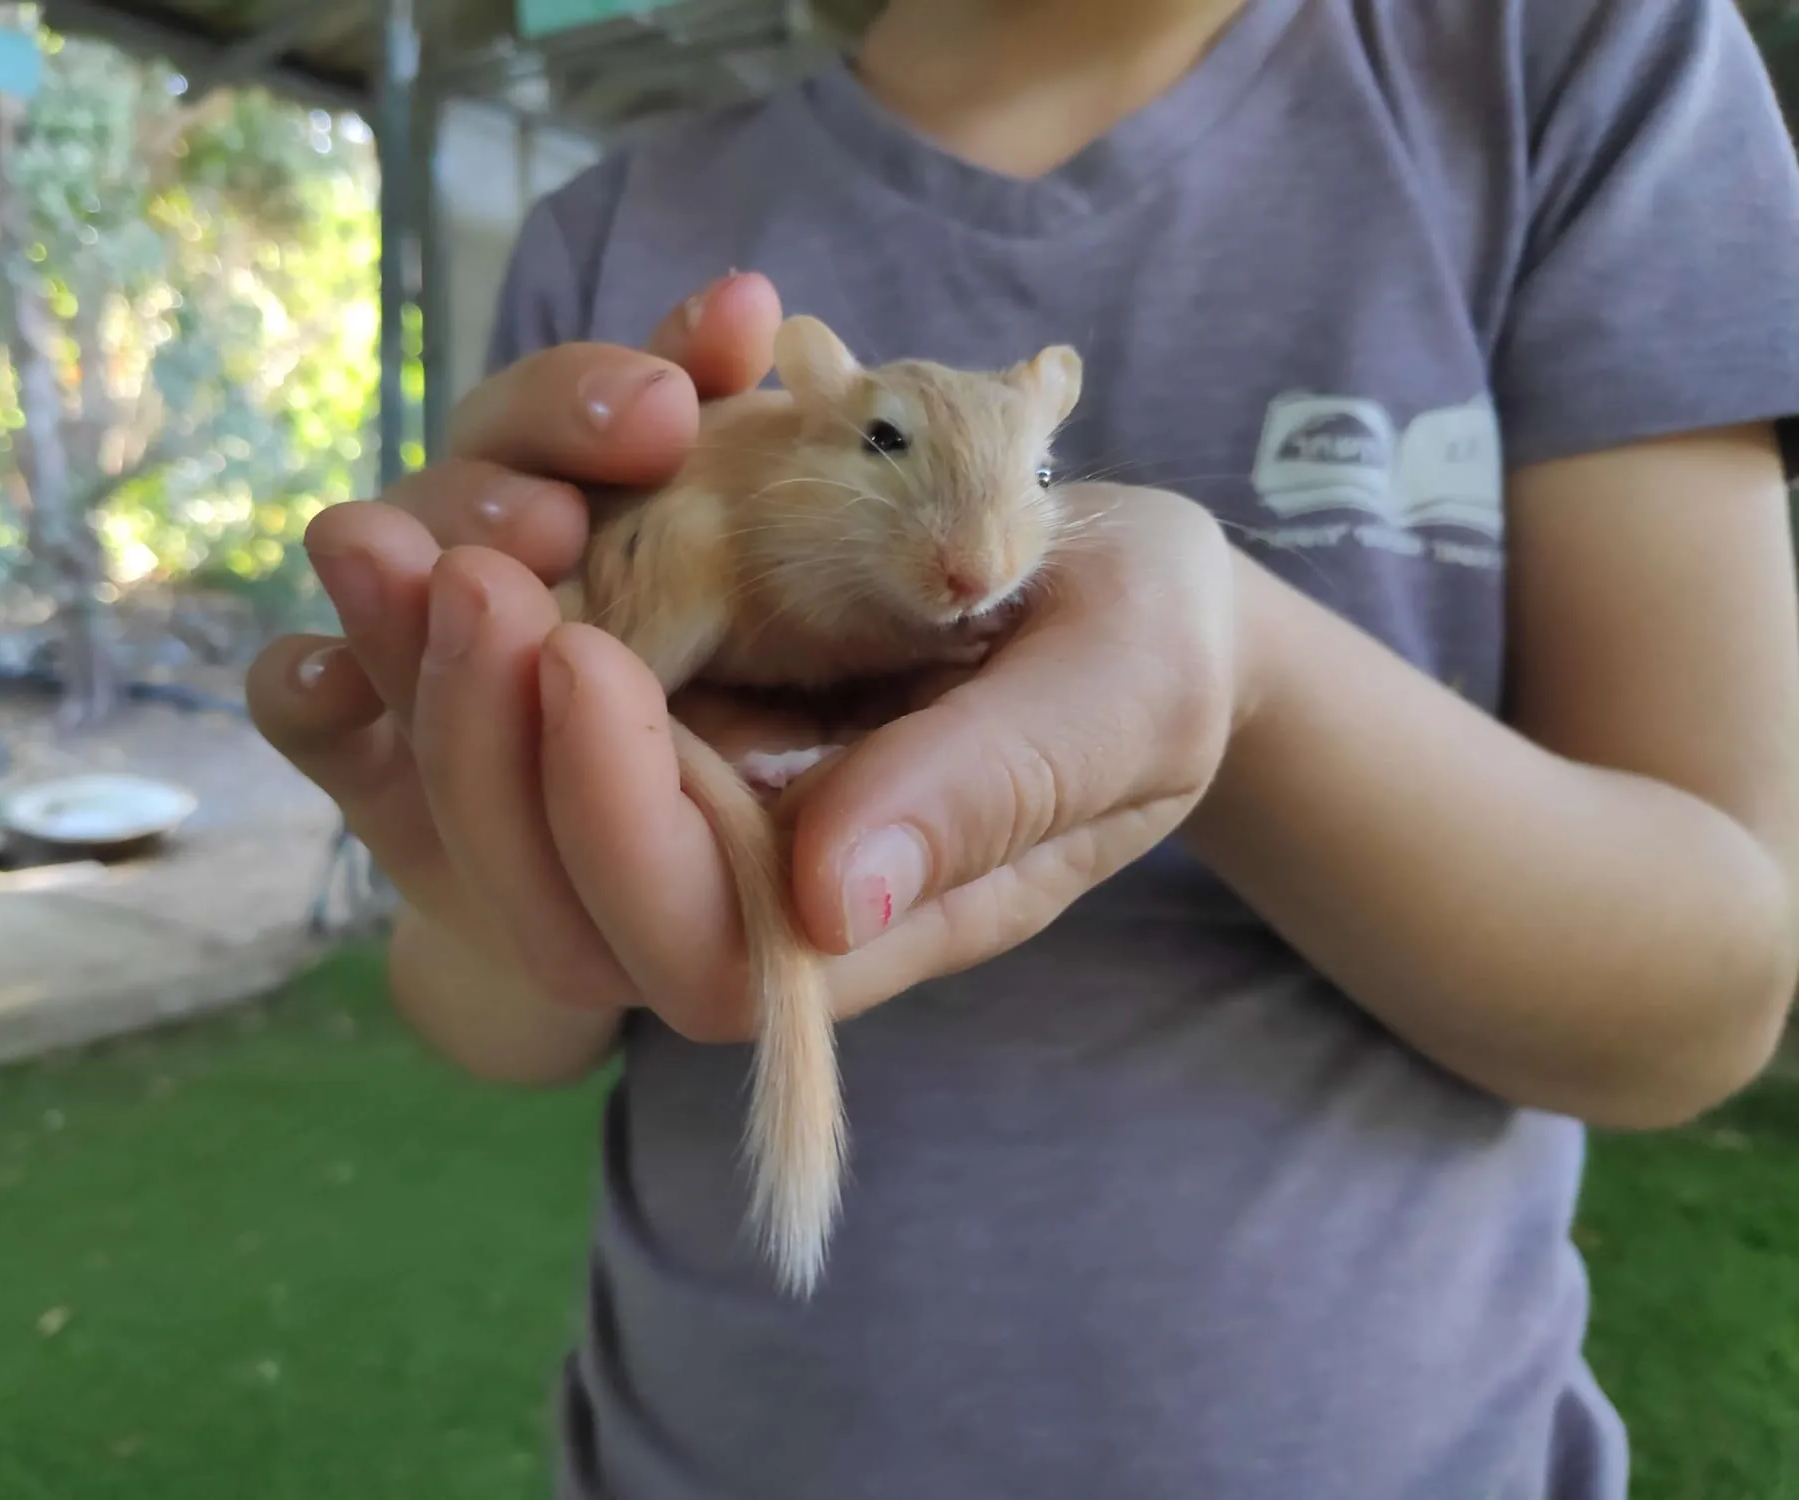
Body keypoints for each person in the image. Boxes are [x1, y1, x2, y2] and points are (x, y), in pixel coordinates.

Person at [246, 0, 1799, 1494]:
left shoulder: (1574, 64)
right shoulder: (617, 236)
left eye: (1033, 486)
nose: (977, 558)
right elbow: (499, 1018)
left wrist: (1243, 678)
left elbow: (1705, 994)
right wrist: (488, 823)